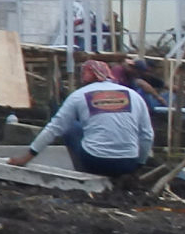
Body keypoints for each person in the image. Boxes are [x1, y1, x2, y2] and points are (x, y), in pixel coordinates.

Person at [27, 59, 156, 181]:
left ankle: (82, 172)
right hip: (128, 163)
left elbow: (54, 128)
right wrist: (139, 165)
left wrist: (28, 156)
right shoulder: (134, 95)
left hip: (96, 163)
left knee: (71, 127)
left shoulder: (79, 95)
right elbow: (147, 135)